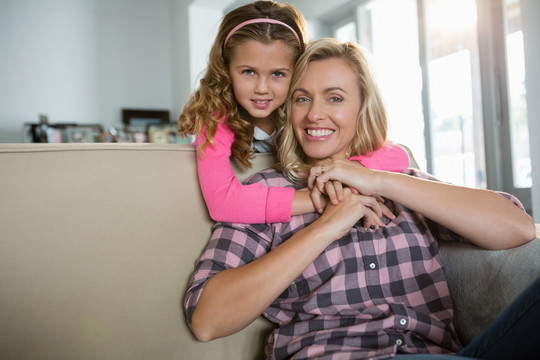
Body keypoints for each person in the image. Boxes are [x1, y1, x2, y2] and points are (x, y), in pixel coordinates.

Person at [184, 38, 538, 359]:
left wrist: (376, 181)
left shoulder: (400, 183)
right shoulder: (267, 192)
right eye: (301, 98)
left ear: (362, 107)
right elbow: (207, 318)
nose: (314, 114)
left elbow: (517, 228)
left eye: (334, 98)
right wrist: (325, 228)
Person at [178, 1, 409, 225]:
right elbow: (222, 203)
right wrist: (323, 196)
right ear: (226, 69)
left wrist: (354, 173)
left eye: (278, 74)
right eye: (248, 72)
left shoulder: (306, 110)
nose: (262, 88)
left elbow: (398, 156)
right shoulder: (216, 116)